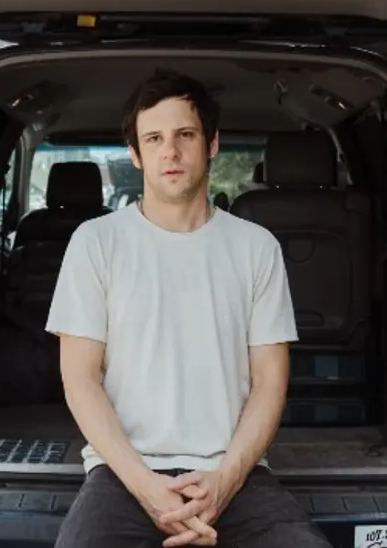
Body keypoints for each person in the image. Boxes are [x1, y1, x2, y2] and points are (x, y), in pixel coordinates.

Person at [45, 69, 333, 548]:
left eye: (185, 135)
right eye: (154, 138)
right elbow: (80, 380)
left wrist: (224, 482)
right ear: (135, 155)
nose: (171, 152)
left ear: (212, 144)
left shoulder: (256, 247)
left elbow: (270, 383)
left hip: (235, 473)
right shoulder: (95, 243)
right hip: (123, 476)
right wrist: (148, 488)